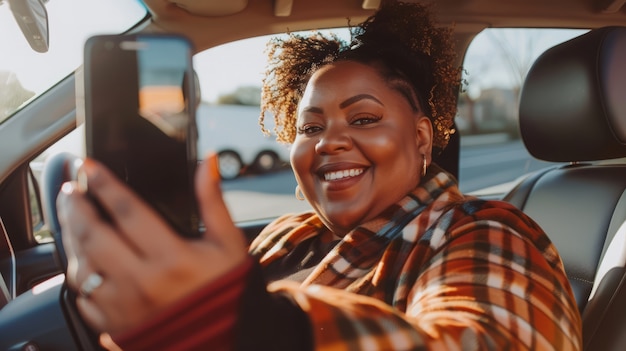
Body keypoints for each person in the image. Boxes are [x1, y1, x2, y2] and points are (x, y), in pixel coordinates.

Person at [57, 1, 582, 350]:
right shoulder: (290, 231)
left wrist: (242, 325)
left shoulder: (485, 230)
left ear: (421, 138)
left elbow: (483, 338)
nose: (329, 141)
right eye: (310, 127)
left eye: (364, 119)